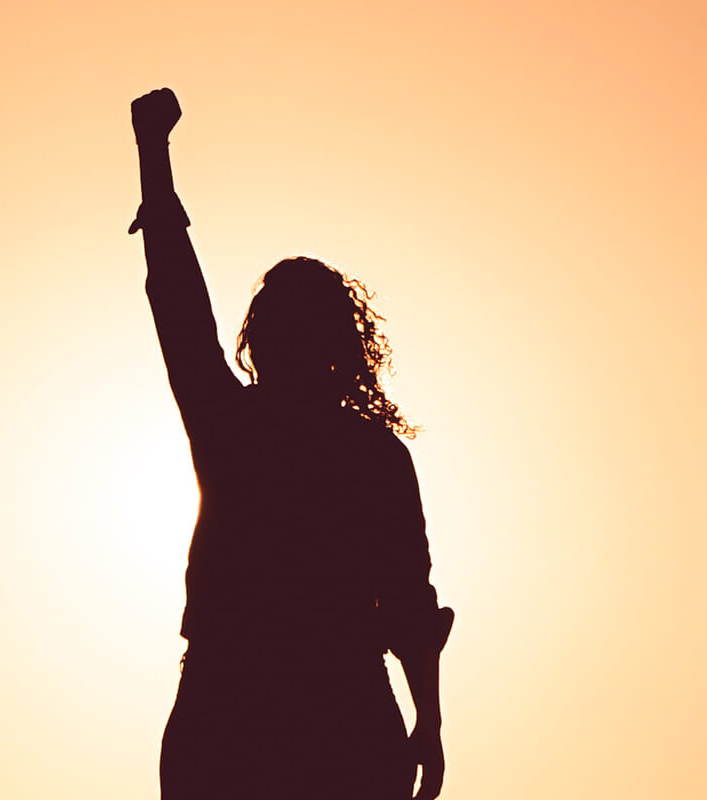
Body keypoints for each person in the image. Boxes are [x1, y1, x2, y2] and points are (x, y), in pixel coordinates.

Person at [128, 87, 454, 800]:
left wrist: (153, 154)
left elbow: (407, 601)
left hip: (261, 710)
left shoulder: (235, 426)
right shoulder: (364, 454)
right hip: (306, 710)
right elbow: (409, 606)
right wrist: (427, 720)